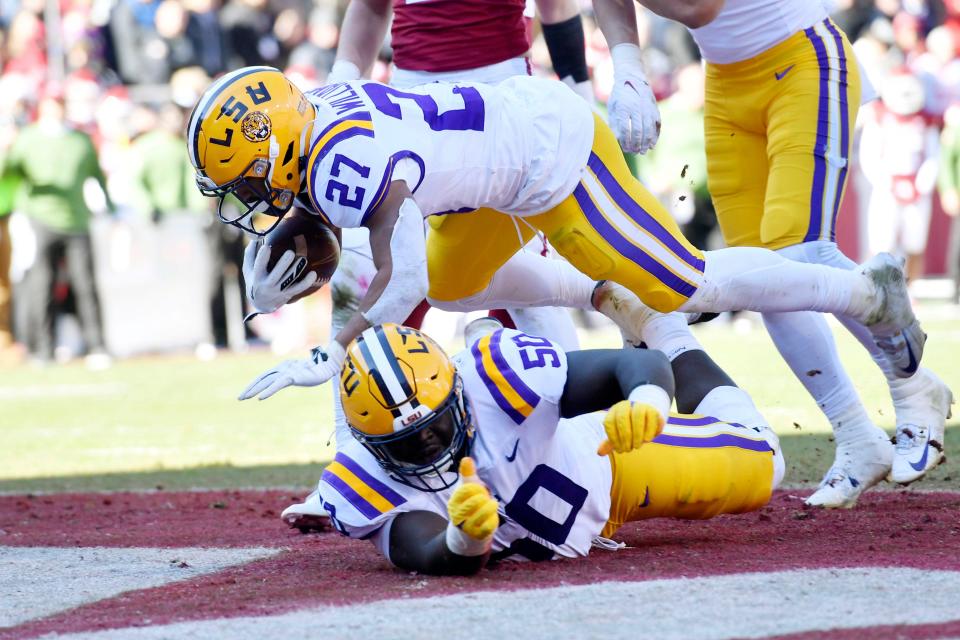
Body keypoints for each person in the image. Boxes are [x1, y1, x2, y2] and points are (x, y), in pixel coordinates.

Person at [187, 68, 924, 418]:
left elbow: (396, 282)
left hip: (547, 160)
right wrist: (305, 250)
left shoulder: (341, 161)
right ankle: (603, 294)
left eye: (246, 179)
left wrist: (330, 349)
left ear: (275, 146)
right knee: (451, 277)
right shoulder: (311, 119)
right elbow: (352, 225)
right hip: (484, 178)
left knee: (689, 284)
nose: (248, 197)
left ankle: (867, 292)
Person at [591, 0, 952, 505]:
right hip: (724, 81)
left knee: (804, 252)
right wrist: (627, 64)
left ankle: (914, 388)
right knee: (761, 279)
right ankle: (854, 434)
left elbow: (698, 7)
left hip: (801, 59)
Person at [302, 317, 782, 573]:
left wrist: (649, 402)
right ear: (371, 443)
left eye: (436, 425)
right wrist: (463, 538)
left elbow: (632, 365)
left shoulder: (494, 376)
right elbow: (430, 554)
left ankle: (670, 325)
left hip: (607, 470)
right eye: (406, 442)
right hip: (552, 527)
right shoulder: (358, 477)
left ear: (459, 395)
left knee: (767, 465)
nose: (427, 442)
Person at [3, 94, 113, 366]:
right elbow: (9, 175)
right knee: (42, 285)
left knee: (85, 284)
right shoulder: (27, 139)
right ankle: (43, 349)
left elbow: (96, 176)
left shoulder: (80, 141)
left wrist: (110, 208)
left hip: (76, 220)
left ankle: (97, 346)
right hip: (40, 219)